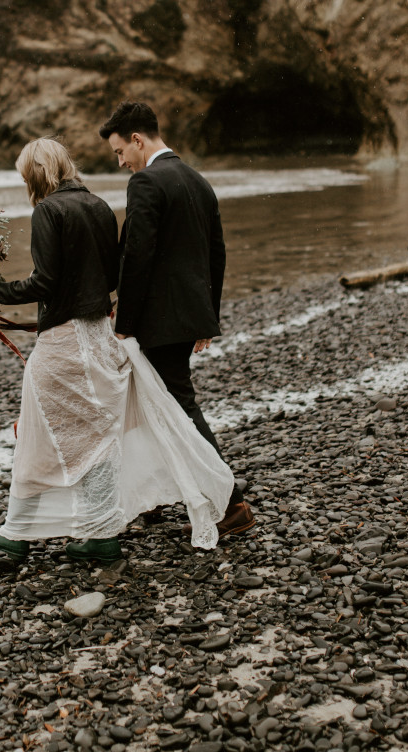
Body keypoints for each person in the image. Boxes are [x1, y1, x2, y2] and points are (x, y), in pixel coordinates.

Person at [0, 137, 234, 564]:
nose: (25, 183)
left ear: (37, 174)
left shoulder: (48, 211)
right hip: (99, 338)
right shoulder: (99, 207)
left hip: (63, 344)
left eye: (25, 175)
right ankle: (99, 533)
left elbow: (44, 283)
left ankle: (19, 532)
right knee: (95, 436)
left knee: (39, 434)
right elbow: (111, 273)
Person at [99, 101, 256, 537]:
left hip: (158, 320)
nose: (120, 162)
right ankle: (161, 496)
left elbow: (138, 255)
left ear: (137, 139)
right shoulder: (197, 180)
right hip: (186, 315)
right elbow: (216, 253)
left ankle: (230, 504)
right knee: (161, 405)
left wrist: (124, 321)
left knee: (179, 407)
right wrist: (206, 317)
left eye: (119, 152)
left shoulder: (147, 181)